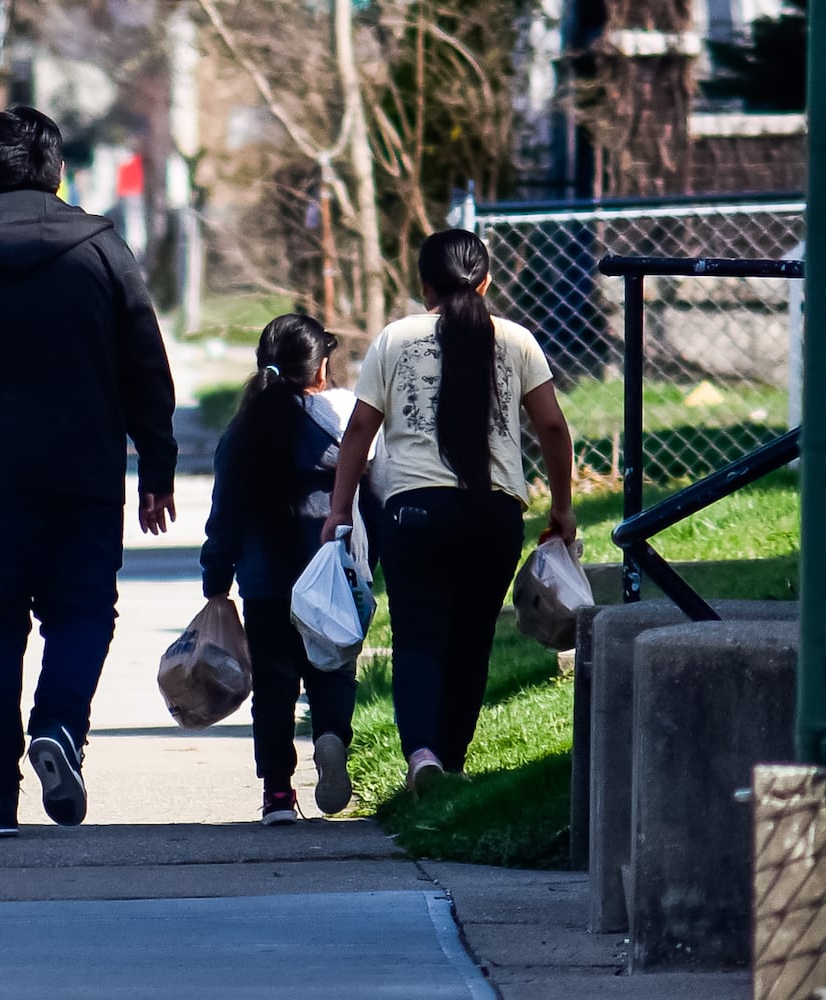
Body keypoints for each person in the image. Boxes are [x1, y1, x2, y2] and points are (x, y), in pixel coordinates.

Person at [0, 107, 177, 838]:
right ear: (56, 170)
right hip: (82, 474)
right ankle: (58, 727)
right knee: (83, 614)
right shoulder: (103, 250)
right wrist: (157, 463)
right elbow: (145, 360)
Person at [323, 228, 576, 795]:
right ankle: (454, 765)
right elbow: (554, 427)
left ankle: (422, 757)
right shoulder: (517, 341)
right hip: (495, 514)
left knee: (417, 639)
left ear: (424, 285)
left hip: (415, 512)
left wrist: (340, 509)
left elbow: (360, 430)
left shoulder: (395, 339)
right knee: (471, 642)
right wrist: (562, 508)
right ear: (486, 280)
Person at [200, 314, 375, 825]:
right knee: (333, 668)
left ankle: (278, 792)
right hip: (328, 579)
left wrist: (216, 580)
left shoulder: (242, 432)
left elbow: (224, 513)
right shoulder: (334, 428)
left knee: (274, 687)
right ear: (320, 367)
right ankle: (330, 739)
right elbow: (371, 490)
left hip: (265, 584)